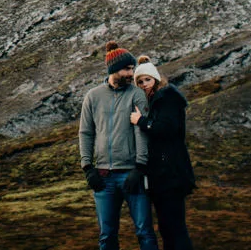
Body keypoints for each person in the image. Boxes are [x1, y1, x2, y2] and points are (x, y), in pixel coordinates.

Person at [79, 41, 159, 250]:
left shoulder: (136, 94)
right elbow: (86, 133)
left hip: (131, 174)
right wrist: (87, 167)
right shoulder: (93, 96)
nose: (131, 73)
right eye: (127, 69)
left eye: (132, 68)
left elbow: (141, 132)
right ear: (113, 69)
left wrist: (139, 167)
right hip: (103, 177)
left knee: (144, 232)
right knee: (107, 235)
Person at [130, 56, 196, 250]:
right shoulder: (153, 100)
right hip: (160, 175)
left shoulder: (168, 98)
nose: (144, 84)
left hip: (171, 173)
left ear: (156, 79)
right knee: (167, 227)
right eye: (140, 82)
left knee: (175, 227)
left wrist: (141, 121)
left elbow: (166, 129)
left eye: (147, 80)